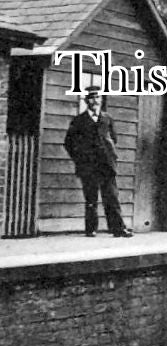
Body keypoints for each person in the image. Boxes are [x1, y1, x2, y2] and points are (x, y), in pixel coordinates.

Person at [63, 87, 132, 237]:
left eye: (98, 98)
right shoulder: (79, 121)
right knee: (91, 198)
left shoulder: (107, 119)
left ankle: (118, 228)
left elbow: (114, 139)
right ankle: (91, 229)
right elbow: (69, 143)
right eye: (92, 98)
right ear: (86, 100)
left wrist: (109, 155)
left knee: (112, 197)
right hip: (88, 166)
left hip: (106, 165)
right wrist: (80, 159)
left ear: (101, 100)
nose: (95, 101)